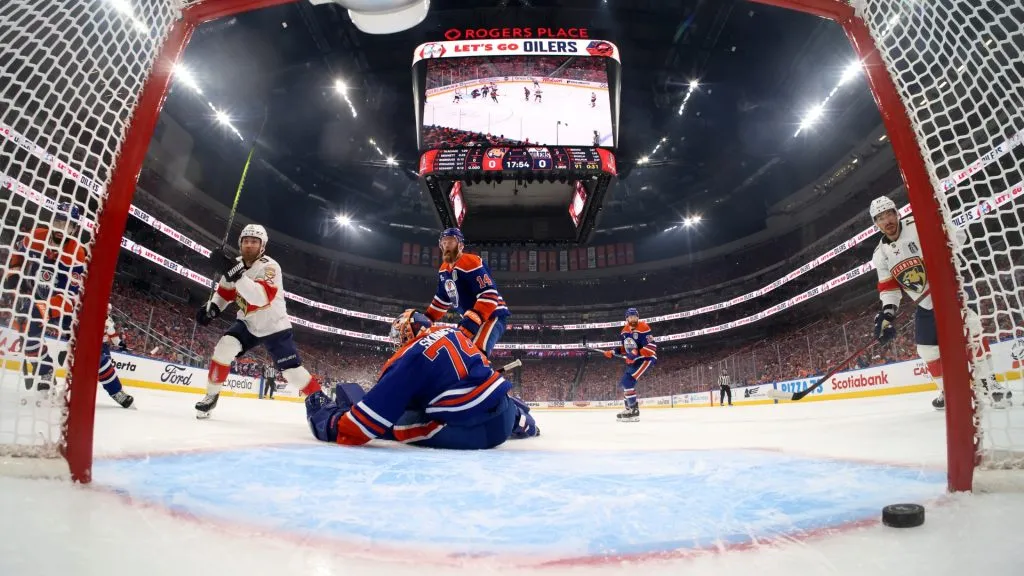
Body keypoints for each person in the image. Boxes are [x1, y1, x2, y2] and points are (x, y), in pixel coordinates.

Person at [304, 309, 539, 448]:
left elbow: (363, 425)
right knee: (476, 391)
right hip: (504, 411)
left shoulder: (410, 356)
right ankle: (523, 419)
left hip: (477, 431)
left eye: (399, 333)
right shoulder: (455, 333)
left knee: (394, 424)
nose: (397, 340)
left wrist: (327, 419)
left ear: (409, 331)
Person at [870, 196, 1010, 410]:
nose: (887, 220)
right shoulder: (880, 255)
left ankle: (989, 383)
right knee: (927, 351)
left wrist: (943, 238)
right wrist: (888, 314)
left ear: (897, 213)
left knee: (972, 330)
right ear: (876, 224)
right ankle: (947, 391)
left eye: (889, 213)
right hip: (925, 303)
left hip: (950, 291)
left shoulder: (918, 225)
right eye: (880, 217)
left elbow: (958, 237)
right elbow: (889, 289)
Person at [3, 203, 133, 408]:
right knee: (25, 327)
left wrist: (44, 308)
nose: (60, 227)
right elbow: (17, 253)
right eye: (57, 221)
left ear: (73, 229)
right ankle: (45, 372)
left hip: (69, 309)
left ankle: (117, 391)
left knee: (90, 351)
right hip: (38, 299)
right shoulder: (35, 236)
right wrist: (13, 273)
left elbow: (70, 296)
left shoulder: (76, 252)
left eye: (66, 224)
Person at [194, 224, 321, 419]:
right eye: (245, 241)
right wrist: (212, 308)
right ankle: (211, 395)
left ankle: (321, 401)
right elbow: (225, 294)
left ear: (262, 246)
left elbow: (259, 298)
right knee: (224, 347)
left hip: (274, 326)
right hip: (248, 323)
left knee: (292, 373)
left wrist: (235, 273)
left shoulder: (270, 267)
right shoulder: (234, 264)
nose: (249, 245)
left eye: (254, 241)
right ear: (240, 243)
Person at [423, 228, 509, 357]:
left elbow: (489, 294)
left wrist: (474, 319)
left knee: (475, 354)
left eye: (451, 242)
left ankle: (484, 375)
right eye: (444, 243)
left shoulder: (470, 262)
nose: (446, 245)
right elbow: (441, 300)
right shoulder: (443, 270)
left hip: (491, 316)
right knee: (461, 356)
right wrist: (425, 320)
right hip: (471, 319)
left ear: (461, 245)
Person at [602, 307, 657, 422]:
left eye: (635, 316)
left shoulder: (643, 327)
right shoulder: (624, 331)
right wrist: (613, 352)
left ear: (638, 317)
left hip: (646, 359)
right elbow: (625, 349)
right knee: (625, 382)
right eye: (630, 316)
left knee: (628, 381)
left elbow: (652, 347)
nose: (633, 318)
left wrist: (635, 354)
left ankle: (633, 410)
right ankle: (628, 409)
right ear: (626, 319)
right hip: (636, 360)